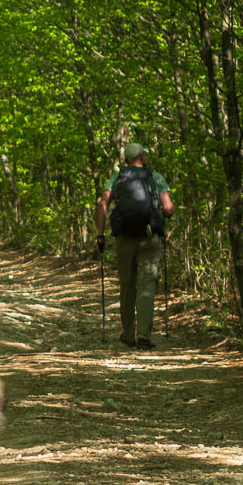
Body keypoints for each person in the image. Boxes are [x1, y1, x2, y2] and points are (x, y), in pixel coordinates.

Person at [95, 141, 174, 349]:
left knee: (127, 284)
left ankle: (128, 334)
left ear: (126, 160)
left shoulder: (117, 178)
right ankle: (144, 336)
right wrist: (164, 213)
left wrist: (100, 234)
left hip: (125, 239)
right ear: (143, 157)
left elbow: (103, 204)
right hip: (149, 237)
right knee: (147, 284)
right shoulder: (155, 177)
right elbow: (168, 207)